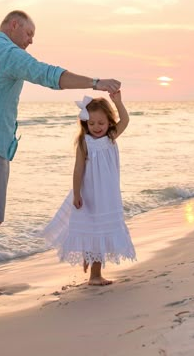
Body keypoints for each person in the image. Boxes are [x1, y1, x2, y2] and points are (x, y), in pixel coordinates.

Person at [0, 10, 121, 308]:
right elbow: (48, 75)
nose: (30, 41)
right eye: (29, 34)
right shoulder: (8, 52)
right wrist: (96, 82)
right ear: (14, 25)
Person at [42, 91, 135, 286]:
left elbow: (125, 119)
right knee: (93, 227)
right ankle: (95, 275)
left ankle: (91, 262)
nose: (96, 127)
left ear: (109, 122)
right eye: (91, 124)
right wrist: (76, 193)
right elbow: (78, 170)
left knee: (98, 228)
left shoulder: (111, 136)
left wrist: (118, 101)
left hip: (107, 195)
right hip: (89, 193)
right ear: (85, 123)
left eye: (101, 123)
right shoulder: (85, 142)